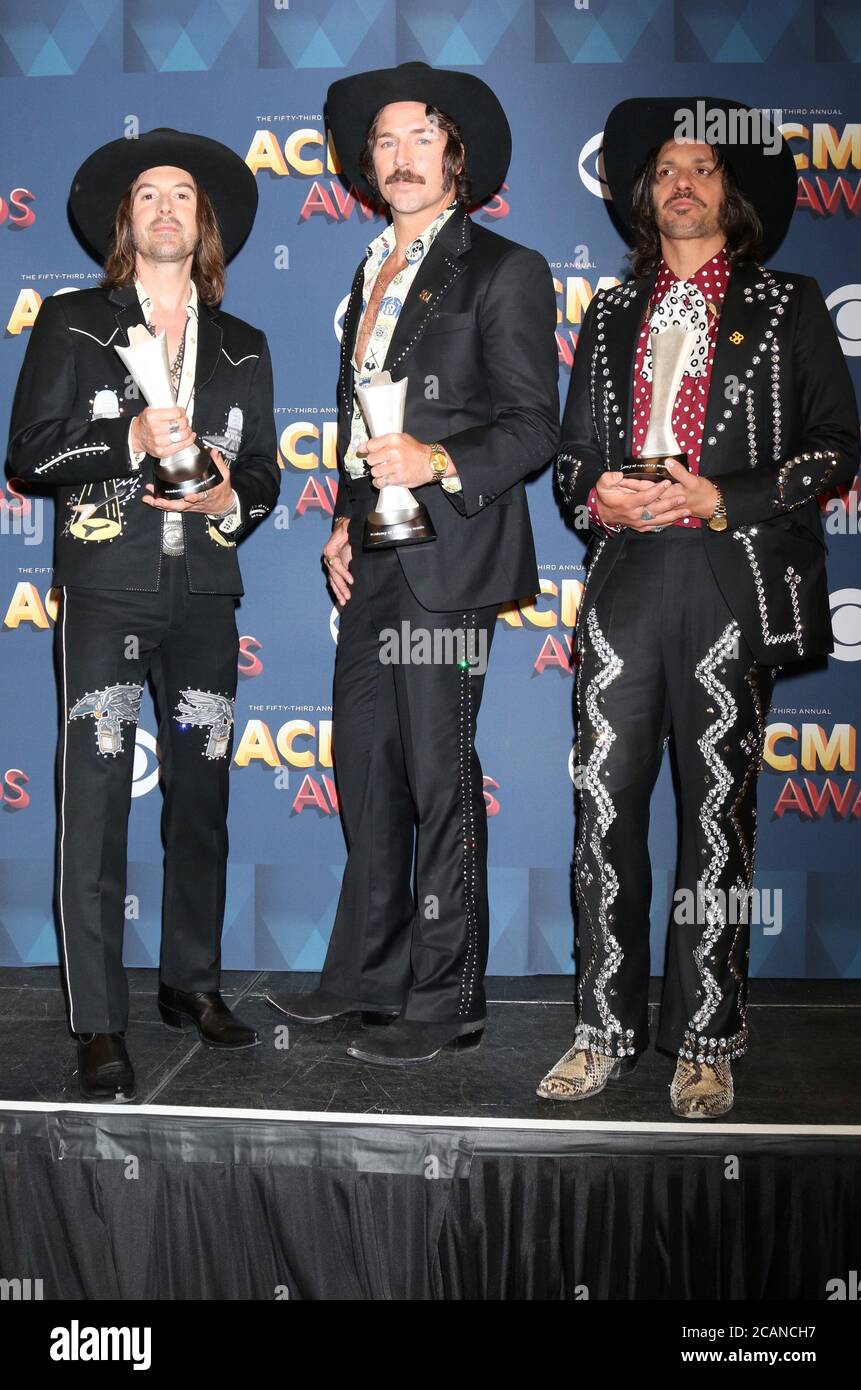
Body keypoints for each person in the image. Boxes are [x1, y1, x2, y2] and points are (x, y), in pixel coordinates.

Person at [537, 98, 860, 1116]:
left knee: (715, 820)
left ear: (731, 192)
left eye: (702, 168)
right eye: (665, 170)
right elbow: (568, 456)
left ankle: (706, 1037)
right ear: (642, 195)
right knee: (601, 810)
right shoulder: (606, 312)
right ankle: (601, 1027)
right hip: (624, 578)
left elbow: (829, 448)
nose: (681, 183)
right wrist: (593, 493)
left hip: (728, 578)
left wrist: (725, 495)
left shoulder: (787, 302)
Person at [267, 62, 559, 1066]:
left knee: (438, 775)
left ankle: (447, 994)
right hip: (377, 551)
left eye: (419, 137)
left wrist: (437, 459)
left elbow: (531, 428)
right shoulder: (364, 271)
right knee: (366, 768)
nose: (399, 156)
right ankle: (369, 972)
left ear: (455, 155)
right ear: (365, 163)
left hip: (451, 556)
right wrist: (346, 519)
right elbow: (363, 427)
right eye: (383, 141)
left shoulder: (503, 269)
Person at [7, 128, 280, 1101]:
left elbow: (263, 476)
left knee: (201, 803)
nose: (166, 207)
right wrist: (124, 434)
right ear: (124, 221)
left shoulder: (243, 343)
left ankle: (189, 984)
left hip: (206, 597)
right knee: (95, 808)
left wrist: (226, 501)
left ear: (204, 223)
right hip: (108, 594)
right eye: (147, 194)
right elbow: (30, 454)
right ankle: (97, 1019)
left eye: (183, 196)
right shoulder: (74, 322)